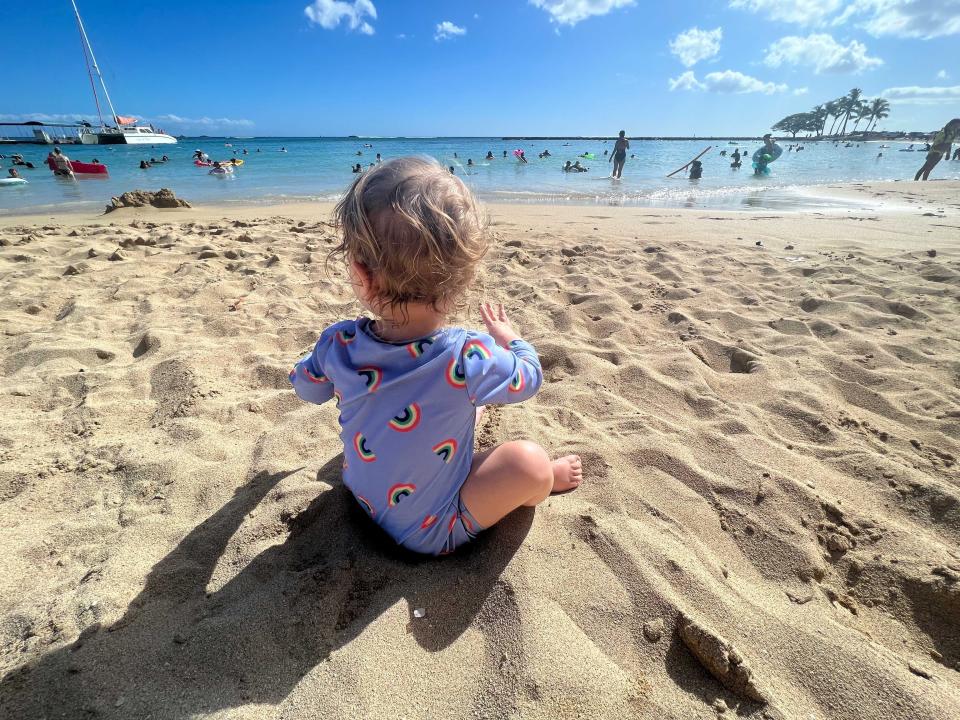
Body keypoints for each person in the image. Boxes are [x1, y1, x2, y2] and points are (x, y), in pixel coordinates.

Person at [289, 157, 582, 556]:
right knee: (527, 461)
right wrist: (510, 338)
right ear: (463, 275)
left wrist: (311, 374)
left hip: (362, 493)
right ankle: (545, 482)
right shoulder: (468, 356)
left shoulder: (336, 344)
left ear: (361, 273)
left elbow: (307, 389)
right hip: (430, 529)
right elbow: (528, 377)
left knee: (461, 407)